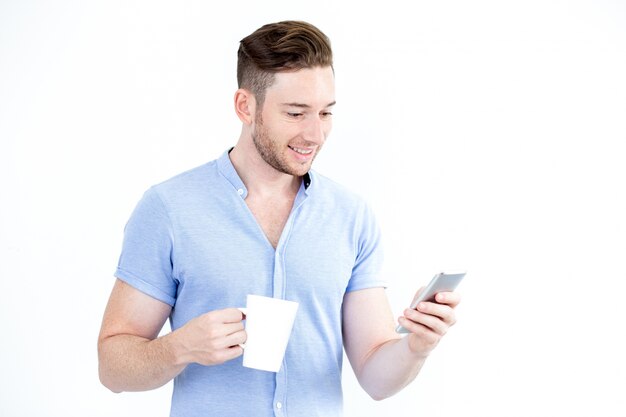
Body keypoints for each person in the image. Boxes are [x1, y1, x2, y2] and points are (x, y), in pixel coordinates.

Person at [98, 20, 461, 417]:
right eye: (295, 113)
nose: (315, 134)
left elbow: (375, 375)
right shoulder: (169, 208)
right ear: (245, 106)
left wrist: (415, 347)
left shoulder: (351, 216)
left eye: (325, 113)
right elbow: (113, 368)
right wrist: (179, 347)